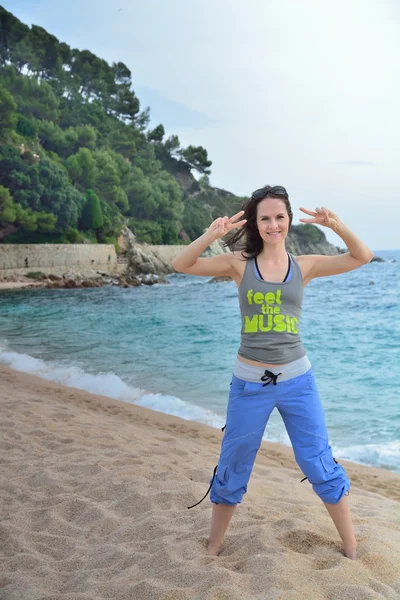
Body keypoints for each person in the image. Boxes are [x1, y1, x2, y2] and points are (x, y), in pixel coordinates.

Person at [171, 185, 373, 560]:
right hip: (249, 384)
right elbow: (181, 265)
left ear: (289, 221)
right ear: (256, 223)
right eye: (265, 217)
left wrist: (338, 226)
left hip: (298, 382)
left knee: (317, 461)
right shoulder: (238, 264)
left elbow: (363, 256)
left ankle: (351, 547)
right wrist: (211, 236)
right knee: (234, 461)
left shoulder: (306, 265)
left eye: (280, 217)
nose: (273, 224)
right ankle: (214, 546)